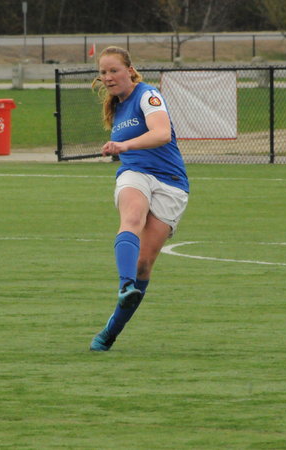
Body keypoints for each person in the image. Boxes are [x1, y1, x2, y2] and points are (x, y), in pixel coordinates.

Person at [89, 46, 189, 352]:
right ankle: (125, 285)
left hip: (171, 183)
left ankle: (110, 332)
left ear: (130, 71)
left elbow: (161, 133)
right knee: (131, 218)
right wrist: (123, 150)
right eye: (103, 72)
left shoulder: (148, 94)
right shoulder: (116, 108)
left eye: (114, 70)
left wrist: (124, 145)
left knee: (144, 264)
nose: (108, 77)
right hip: (135, 174)